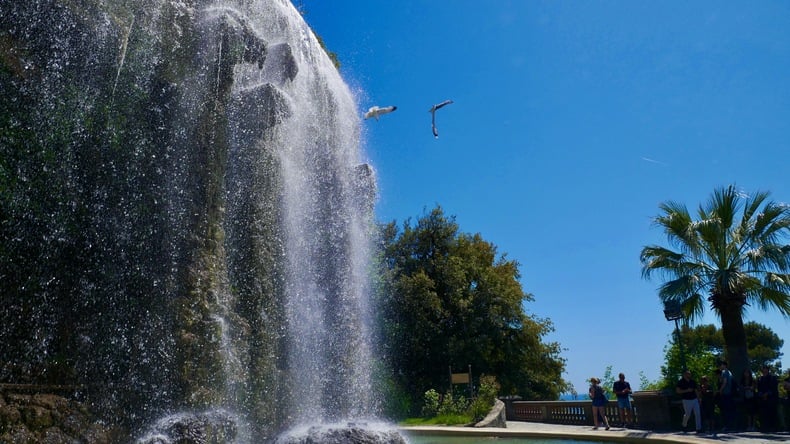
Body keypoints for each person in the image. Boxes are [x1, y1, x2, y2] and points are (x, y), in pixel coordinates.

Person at [756, 365, 779, 432]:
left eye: (766, 369)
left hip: (771, 398)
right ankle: (764, 427)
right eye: (763, 369)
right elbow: (759, 388)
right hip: (762, 398)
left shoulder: (772, 378)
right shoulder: (760, 379)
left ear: (768, 370)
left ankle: (773, 427)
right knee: (763, 413)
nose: (764, 370)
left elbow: (774, 388)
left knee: (772, 412)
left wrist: (767, 394)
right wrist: (761, 395)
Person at [718, 361, 736, 431]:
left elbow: (724, 382)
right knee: (729, 409)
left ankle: (726, 426)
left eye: (721, 365)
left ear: (724, 365)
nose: (720, 366)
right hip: (730, 393)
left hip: (726, 393)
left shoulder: (724, 372)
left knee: (725, 410)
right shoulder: (729, 372)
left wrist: (720, 390)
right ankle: (730, 425)